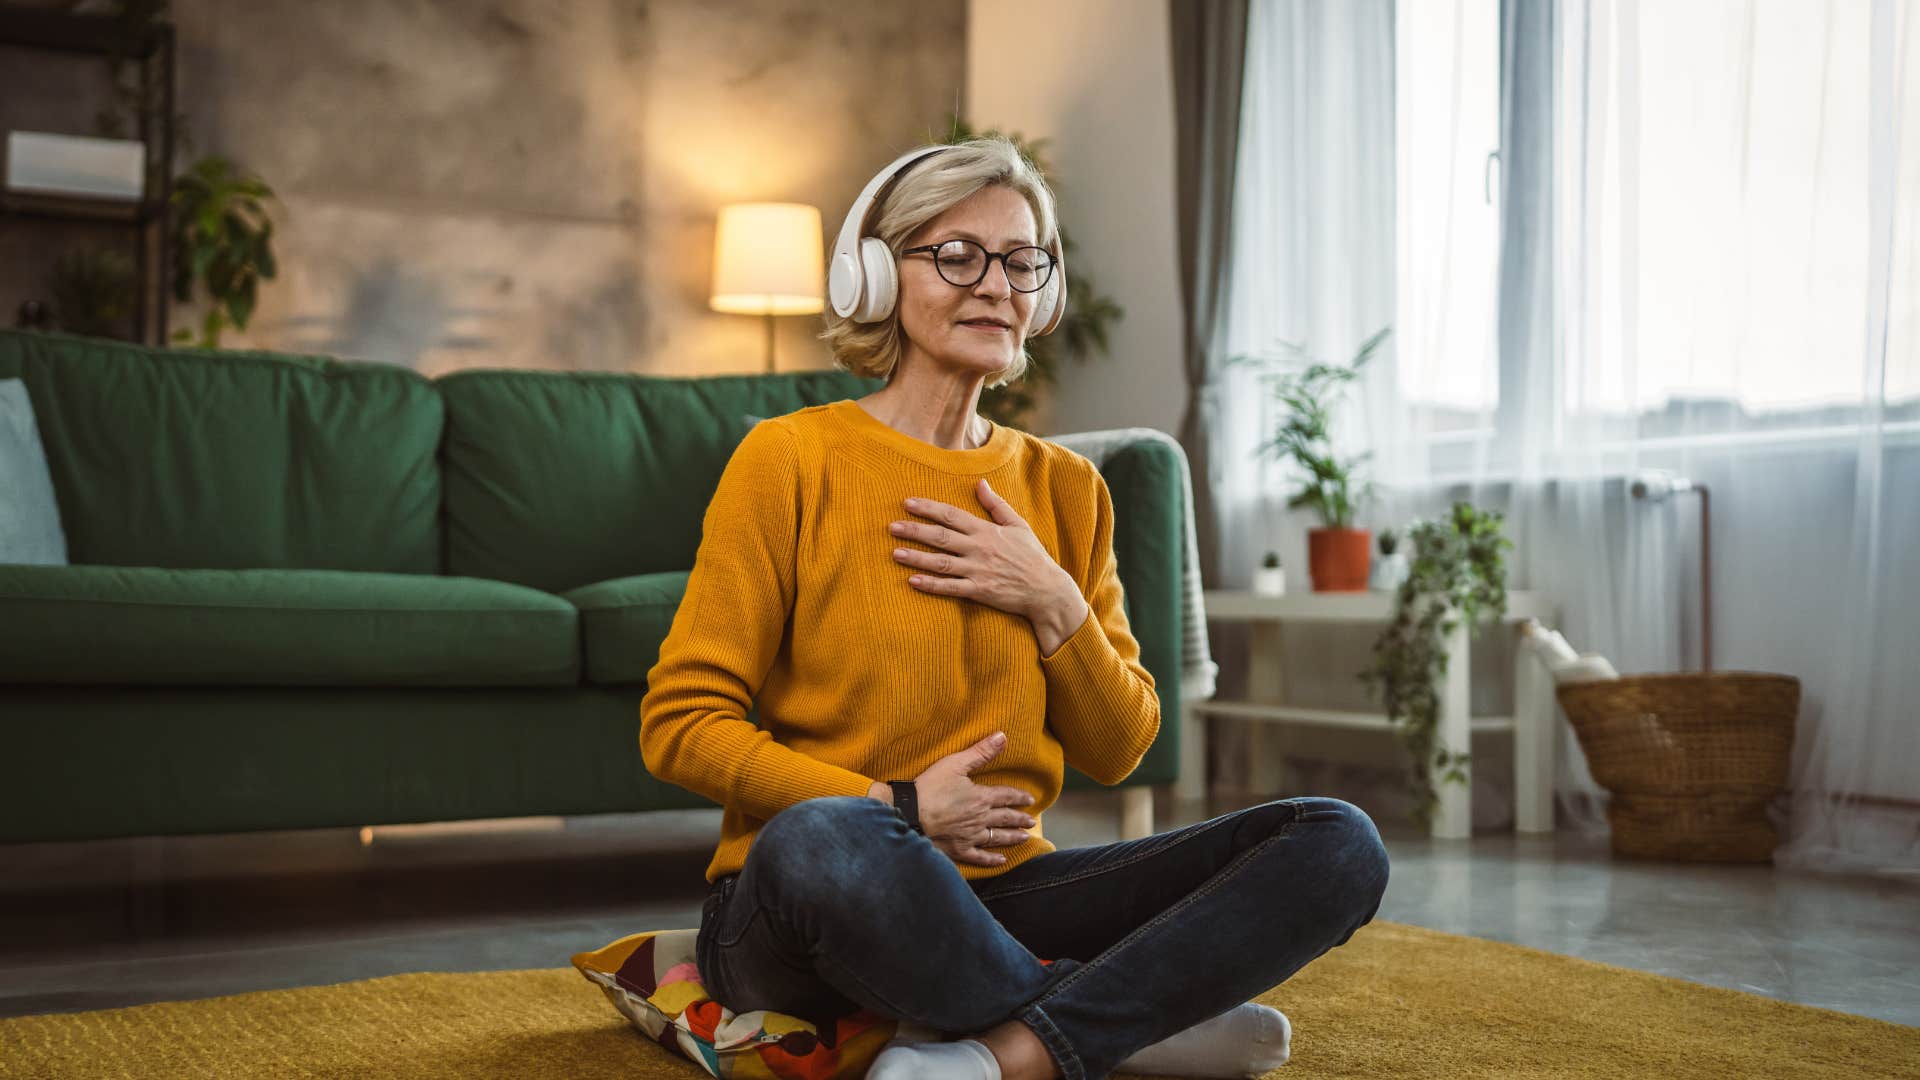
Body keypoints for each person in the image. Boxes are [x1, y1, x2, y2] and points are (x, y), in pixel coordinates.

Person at [638, 135, 1390, 1080]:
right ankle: (1132, 1027)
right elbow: (679, 725)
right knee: (825, 838)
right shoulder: (790, 460)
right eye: (958, 255)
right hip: (807, 905)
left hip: (1006, 892)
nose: (996, 284)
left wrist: (1054, 599)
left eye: (1022, 260)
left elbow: (1122, 748)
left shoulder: (1068, 489)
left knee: (1335, 842)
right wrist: (900, 806)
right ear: (876, 276)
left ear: (1046, 292)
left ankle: (1007, 1052)